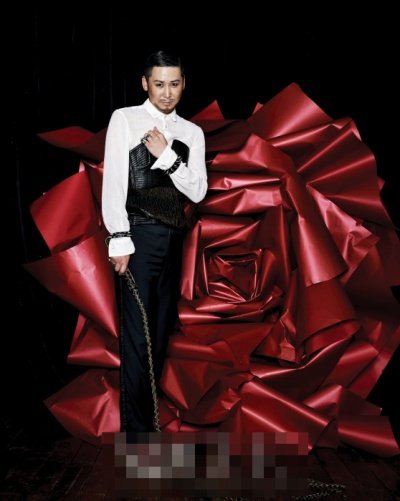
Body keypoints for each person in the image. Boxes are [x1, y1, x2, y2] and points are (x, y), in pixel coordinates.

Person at [102, 50, 208, 432]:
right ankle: (137, 443)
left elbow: (198, 191)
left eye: (174, 84)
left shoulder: (192, 133)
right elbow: (115, 180)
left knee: (160, 337)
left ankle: (147, 431)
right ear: (145, 83)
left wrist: (167, 156)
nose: (167, 92)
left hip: (173, 241)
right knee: (138, 341)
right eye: (159, 84)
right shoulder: (125, 119)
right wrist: (119, 239)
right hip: (138, 238)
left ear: (184, 84)